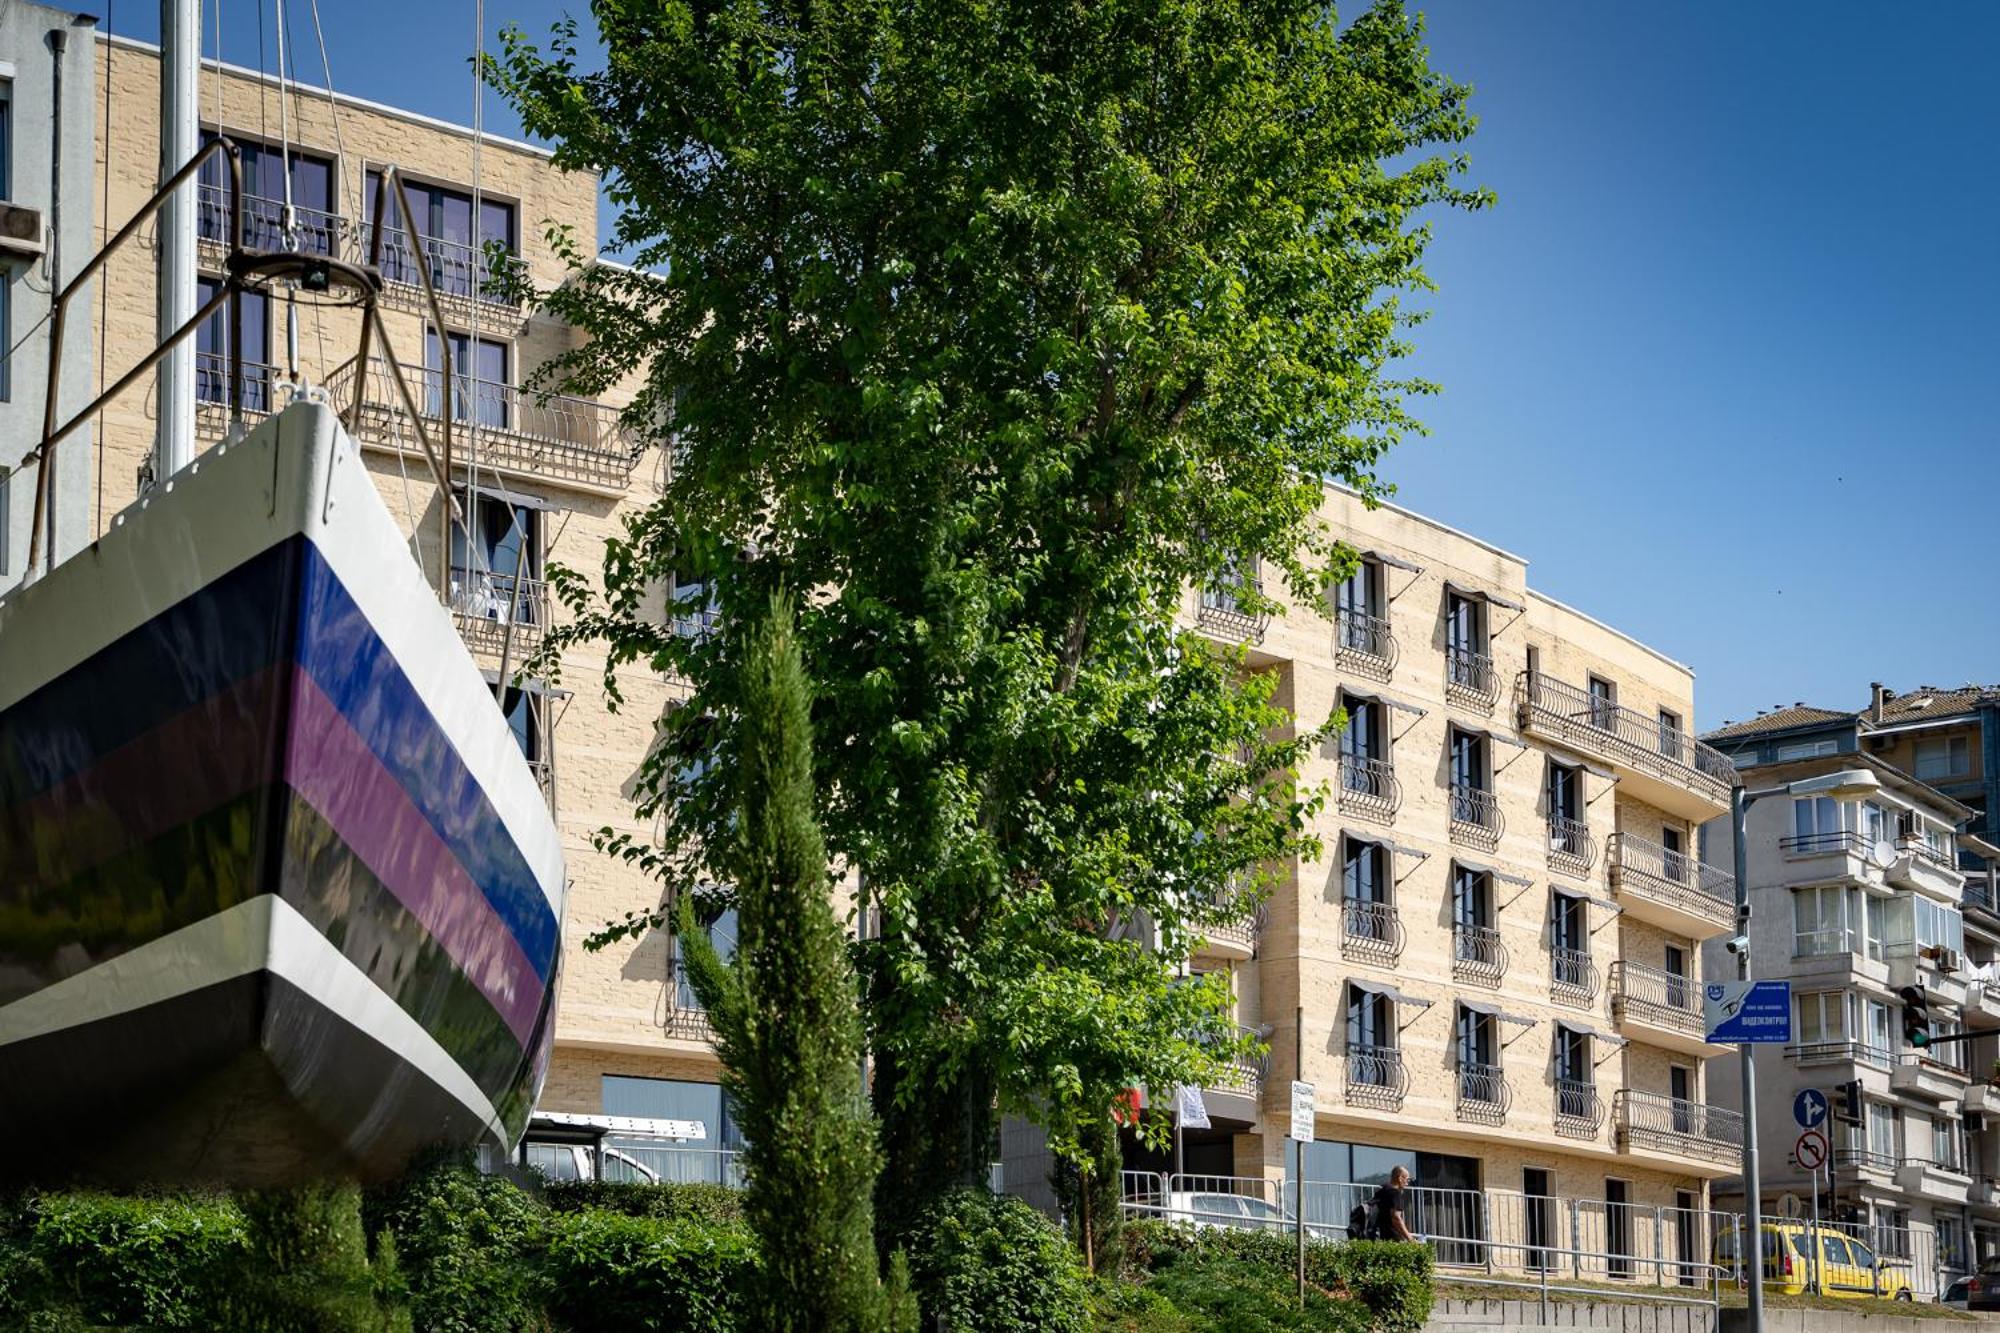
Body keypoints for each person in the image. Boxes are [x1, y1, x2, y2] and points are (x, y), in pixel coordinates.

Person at [1370, 1165, 1416, 1241]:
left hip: (1380, 1235)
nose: (1408, 1183)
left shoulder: (1383, 1189)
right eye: (1407, 1179)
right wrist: (1410, 1238)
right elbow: (1396, 1218)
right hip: (1392, 1238)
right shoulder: (1395, 1193)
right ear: (1400, 1178)